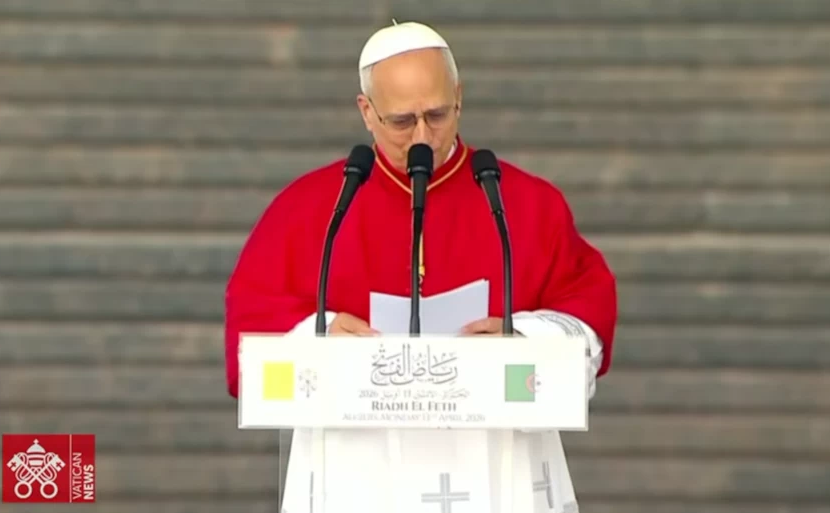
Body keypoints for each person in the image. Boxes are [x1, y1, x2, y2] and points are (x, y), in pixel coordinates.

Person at [224, 20, 617, 513]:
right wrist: (319, 334)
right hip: (357, 478)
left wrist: (521, 337)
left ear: (459, 98)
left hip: (498, 474)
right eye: (402, 121)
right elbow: (250, 328)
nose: (422, 138)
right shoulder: (310, 208)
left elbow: (587, 307)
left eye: (436, 114)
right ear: (367, 112)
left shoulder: (523, 203)